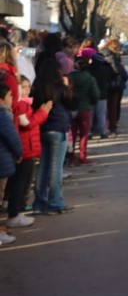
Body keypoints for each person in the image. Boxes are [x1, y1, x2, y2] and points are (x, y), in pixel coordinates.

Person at [31, 58, 77, 215]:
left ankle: (39, 202)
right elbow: (73, 104)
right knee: (56, 168)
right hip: (58, 128)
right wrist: (68, 86)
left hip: (42, 127)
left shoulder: (37, 87)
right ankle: (55, 202)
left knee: (43, 166)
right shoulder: (59, 86)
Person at [5, 75, 50, 229]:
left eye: (28, 87)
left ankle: (16, 211)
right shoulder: (21, 105)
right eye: (22, 87)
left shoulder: (24, 104)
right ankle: (14, 214)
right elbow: (26, 123)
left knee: (21, 183)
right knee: (20, 183)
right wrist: (43, 113)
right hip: (24, 150)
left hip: (26, 149)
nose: (26, 90)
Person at [68, 50, 100, 165]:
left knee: (72, 133)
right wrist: (92, 102)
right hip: (85, 108)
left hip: (72, 108)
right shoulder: (90, 79)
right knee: (84, 134)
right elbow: (96, 94)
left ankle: (71, 157)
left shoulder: (70, 77)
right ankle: (82, 156)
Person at [0, 83, 21, 245]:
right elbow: (13, 138)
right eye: (9, 96)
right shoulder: (3, 115)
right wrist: (19, 153)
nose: (12, 99)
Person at [102, 38, 128, 136]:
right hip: (113, 84)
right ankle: (112, 127)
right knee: (113, 106)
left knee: (107, 107)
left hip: (106, 83)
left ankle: (108, 126)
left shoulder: (103, 53)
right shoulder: (111, 56)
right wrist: (121, 70)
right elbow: (117, 69)